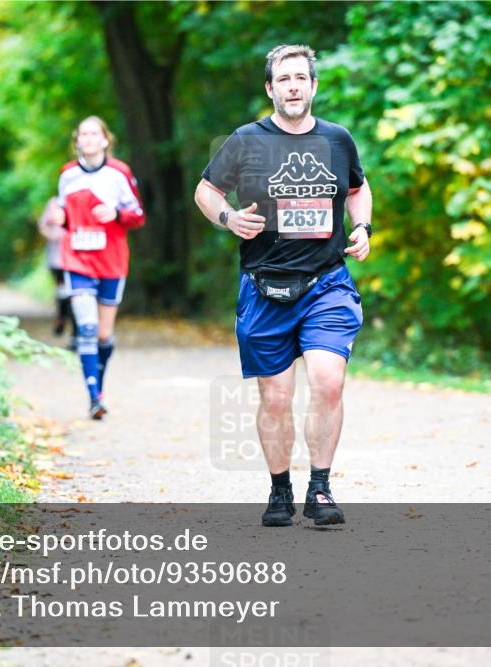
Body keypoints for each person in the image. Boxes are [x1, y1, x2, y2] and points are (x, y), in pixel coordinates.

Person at [194, 44, 372, 526]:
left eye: (301, 78)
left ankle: (321, 488)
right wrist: (230, 218)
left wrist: (362, 228)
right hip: (264, 286)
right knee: (275, 397)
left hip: (326, 284)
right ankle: (279, 490)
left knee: (328, 382)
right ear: (270, 89)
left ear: (313, 86)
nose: (293, 86)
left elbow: (357, 189)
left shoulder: (337, 140)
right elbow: (206, 191)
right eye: (283, 79)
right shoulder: (246, 140)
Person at [56, 116, 146, 419]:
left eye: (95, 133)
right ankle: (93, 397)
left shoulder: (119, 173)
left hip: (111, 260)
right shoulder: (67, 175)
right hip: (77, 259)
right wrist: (58, 216)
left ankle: (100, 385)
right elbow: (64, 212)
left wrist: (116, 213)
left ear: (105, 140)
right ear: (77, 140)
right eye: (84, 133)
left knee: (104, 335)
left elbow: (138, 215)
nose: (90, 138)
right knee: (87, 327)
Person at [38, 196, 76, 343]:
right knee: (64, 294)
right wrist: (54, 236)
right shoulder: (54, 202)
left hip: (77, 260)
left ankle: (74, 332)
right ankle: (61, 318)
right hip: (58, 260)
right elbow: (43, 226)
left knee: (76, 296)